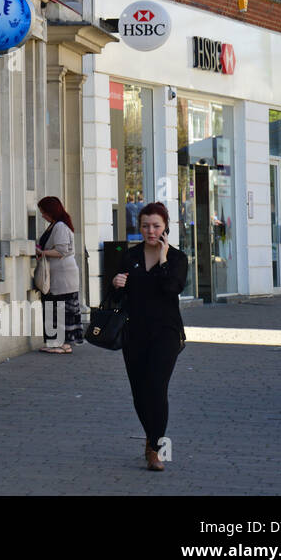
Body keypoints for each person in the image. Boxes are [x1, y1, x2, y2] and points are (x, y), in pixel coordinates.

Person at [112, 201, 188, 472]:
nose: (150, 231)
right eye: (145, 226)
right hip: (134, 332)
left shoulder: (178, 258)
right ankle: (150, 434)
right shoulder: (129, 256)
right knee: (139, 393)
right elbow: (116, 298)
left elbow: (171, 289)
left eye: (156, 226)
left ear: (166, 227)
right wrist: (116, 285)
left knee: (157, 388)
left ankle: (153, 448)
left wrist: (164, 257)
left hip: (166, 332)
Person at [35, 196, 81, 353]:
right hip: (62, 275)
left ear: (51, 211)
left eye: (43, 212)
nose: (42, 215)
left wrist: (42, 252)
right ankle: (62, 344)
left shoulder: (59, 226)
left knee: (57, 307)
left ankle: (59, 344)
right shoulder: (56, 225)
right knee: (59, 307)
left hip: (62, 276)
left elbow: (61, 250)